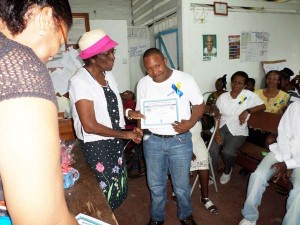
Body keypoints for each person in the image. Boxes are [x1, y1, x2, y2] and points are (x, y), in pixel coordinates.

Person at [0, 0, 78, 224]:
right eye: (61, 39)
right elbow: (44, 219)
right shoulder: (19, 64)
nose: (56, 52)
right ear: (45, 18)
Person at [69, 29, 143, 210]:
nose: (113, 57)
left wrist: (128, 113)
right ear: (92, 57)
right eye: (108, 53)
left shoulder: (107, 74)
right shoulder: (80, 81)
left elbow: (109, 103)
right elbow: (90, 125)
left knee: (116, 188)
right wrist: (125, 135)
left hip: (114, 141)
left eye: (113, 52)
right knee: (102, 193)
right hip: (98, 146)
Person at [136, 48, 205, 225]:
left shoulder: (184, 79)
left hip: (179, 140)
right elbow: (140, 112)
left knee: (181, 185)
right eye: (149, 68)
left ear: (165, 60)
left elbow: (199, 104)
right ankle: (157, 218)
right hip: (152, 141)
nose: (154, 72)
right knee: (155, 185)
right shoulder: (143, 83)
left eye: (157, 65)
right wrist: (140, 131)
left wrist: (189, 123)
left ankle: (185, 215)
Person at [239, 101, 300, 225]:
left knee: (299, 192)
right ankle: (250, 216)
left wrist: (288, 165)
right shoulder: (295, 106)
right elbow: (283, 133)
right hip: (282, 152)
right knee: (258, 176)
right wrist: (285, 159)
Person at [209, 71, 265, 184]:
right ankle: (211, 175)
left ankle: (227, 170)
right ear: (231, 82)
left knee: (227, 152)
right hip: (221, 127)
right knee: (212, 150)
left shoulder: (249, 95)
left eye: (240, 83)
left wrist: (247, 110)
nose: (236, 85)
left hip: (238, 129)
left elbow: (262, 106)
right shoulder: (223, 97)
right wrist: (217, 133)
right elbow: (217, 116)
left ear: (244, 85)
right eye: (234, 82)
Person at [190, 121, 218, 215]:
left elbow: (204, 108)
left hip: (197, 139)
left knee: (204, 166)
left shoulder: (196, 106)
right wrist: (188, 148)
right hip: (180, 141)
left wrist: (213, 109)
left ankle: (205, 198)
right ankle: (176, 192)